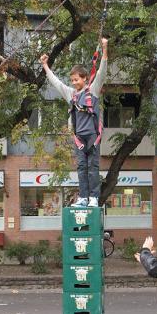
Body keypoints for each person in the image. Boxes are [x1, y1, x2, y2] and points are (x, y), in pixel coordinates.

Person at [39, 38, 108, 208]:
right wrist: (45, 65)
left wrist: (105, 48)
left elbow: (102, 71)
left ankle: (93, 197)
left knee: (93, 167)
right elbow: (56, 83)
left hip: (92, 136)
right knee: (81, 168)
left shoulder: (93, 90)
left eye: (77, 79)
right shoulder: (72, 95)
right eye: (72, 80)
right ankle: (83, 197)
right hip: (79, 139)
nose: (74, 83)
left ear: (85, 78)